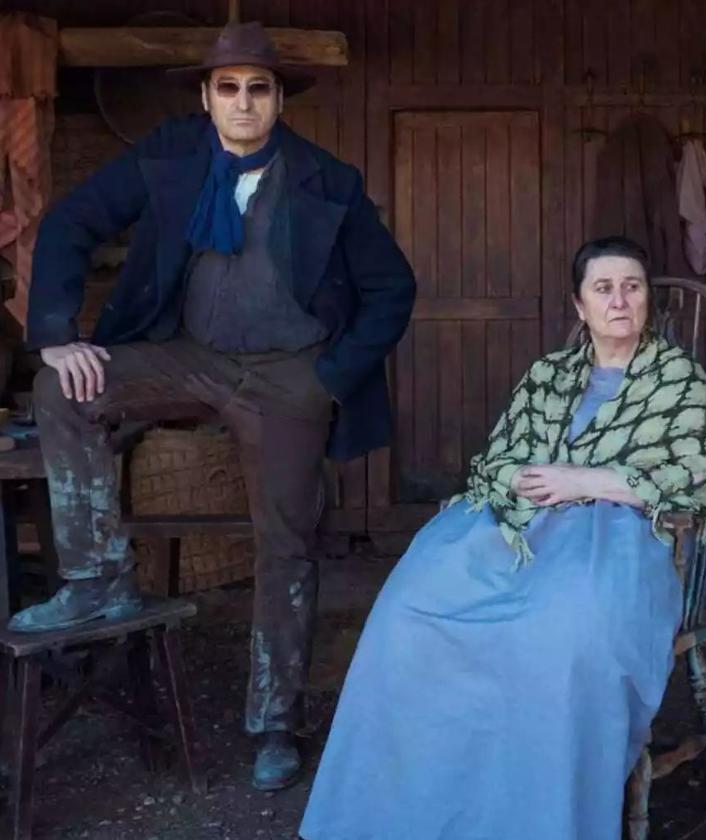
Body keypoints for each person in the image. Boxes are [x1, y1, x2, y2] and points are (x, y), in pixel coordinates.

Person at [14, 21, 416, 793]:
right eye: (227, 88)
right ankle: (98, 577)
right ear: (205, 97)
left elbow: (392, 290)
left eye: (257, 89)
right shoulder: (169, 157)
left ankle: (273, 722)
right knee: (56, 388)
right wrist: (58, 335)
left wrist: (329, 379)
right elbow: (71, 220)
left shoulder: (326, 180)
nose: (242, 103)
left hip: (287, 376)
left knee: (286, 544)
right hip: (188, 355)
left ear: (276, 100)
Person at [299, 236, 706, 840]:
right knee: (410, 611)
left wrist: (589, 480)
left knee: (557, 634)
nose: (619, 300)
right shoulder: (549, 374)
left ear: (647, 302)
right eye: (602, 288)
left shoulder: (678, 379)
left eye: (632, 287)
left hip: (621, 533)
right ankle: (421, 805)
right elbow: (499, 456)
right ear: (579, 307)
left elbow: (700, 470)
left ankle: (536, 816)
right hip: (524, 521)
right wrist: (529, 483)